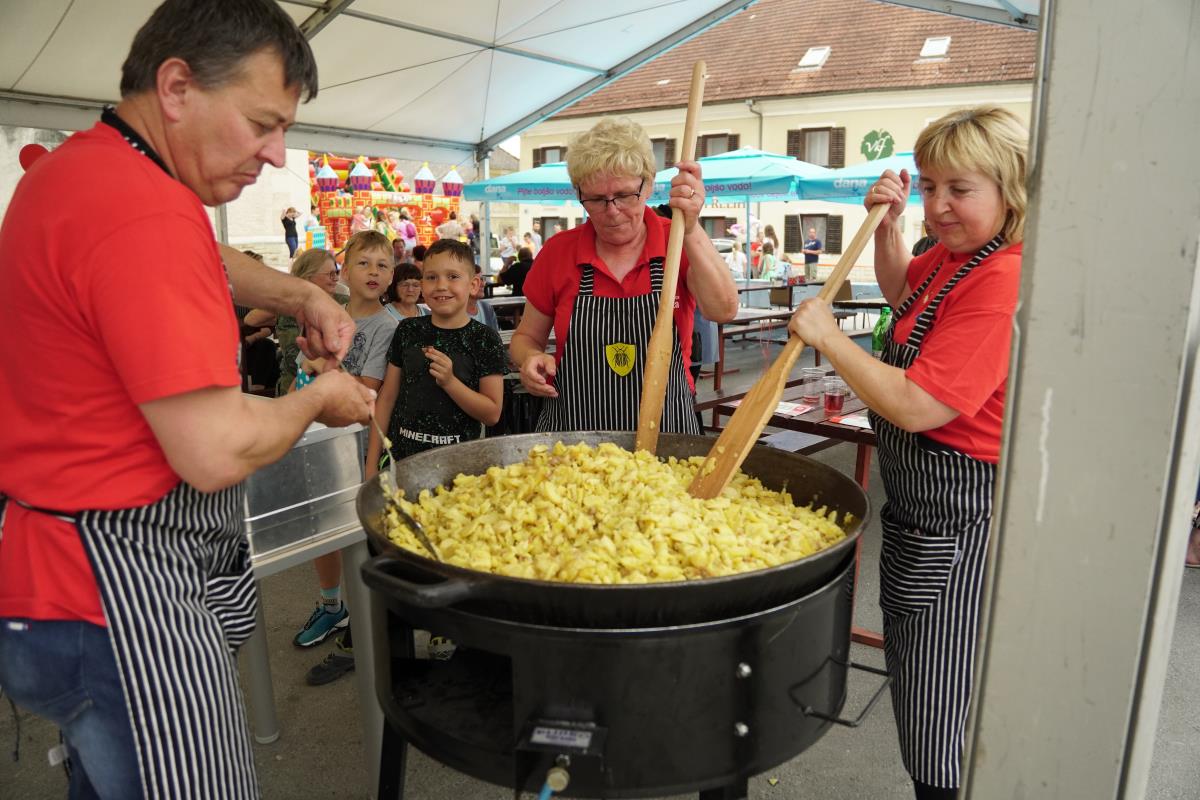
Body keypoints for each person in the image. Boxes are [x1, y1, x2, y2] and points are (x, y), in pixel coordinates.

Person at [0, 3, 375, 797]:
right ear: (176, 87)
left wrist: (301, 295)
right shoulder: (142, 208)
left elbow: (205, 254)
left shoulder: (85, 172)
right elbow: (213, 450)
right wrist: (321, 398)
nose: (276, 154)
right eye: (262, 124)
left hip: (50, 581)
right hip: (117, 593)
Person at [787, 105, 1028, 800]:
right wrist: (889, 228)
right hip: (921, 512)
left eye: (960, 189)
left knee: (942, 710)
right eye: (928, 186)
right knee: (923, 685)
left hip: (962, 523)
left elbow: (921, 406)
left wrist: (831, 339)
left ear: (1010, 189)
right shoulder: (954, 257)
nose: (939, 204)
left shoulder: (1004, 277)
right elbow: (903, 292)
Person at [510, 116, 738, 434]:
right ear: (578, 192)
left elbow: (723, 309)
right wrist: (530, 358)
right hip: (574, 438)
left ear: (649, 184)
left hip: (666, 433)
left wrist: (691, 226)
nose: (612, 210)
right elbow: (525, 338)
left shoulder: (677, 241)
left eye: (624, 195)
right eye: (596, 199)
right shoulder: (559, 251)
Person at [298, 231, 398, 684]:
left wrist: (321, 369)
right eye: (364, 263)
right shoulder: (327, 314)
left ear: (392, 275)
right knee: (321, 526)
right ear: (344, 270)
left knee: (356, 533)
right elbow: (303, 369)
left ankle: (362, 622)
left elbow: (367, 391)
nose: (374, 272)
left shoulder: (387, 327)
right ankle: (330, 604)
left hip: (358, 441)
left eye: (383, 265)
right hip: (317, 434)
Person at [366, 238, 505, 471]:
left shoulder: (484, 339)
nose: (441, 285)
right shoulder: (408, 330)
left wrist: (450, 382)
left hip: (458, 469)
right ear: (422, 285)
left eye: (453, 276)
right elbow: (386, 398)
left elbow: (492, 413)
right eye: (431, 277)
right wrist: (371, 466)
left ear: (473, 285)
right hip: (401, 464)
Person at [245, 248, 342, 396]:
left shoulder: (343, 302)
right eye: (330, 274)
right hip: (290, 387)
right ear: (309, 277)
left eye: (336, 273)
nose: (336, 278)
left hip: (327, 389)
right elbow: (251, 319)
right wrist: (296, 300)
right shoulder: (289, 305)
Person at [468, 262, 500, 332]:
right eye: (476, 281)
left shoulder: (487, 308)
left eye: (482, 279)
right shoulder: (453, 312)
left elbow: (495, 336)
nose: (483, 284)